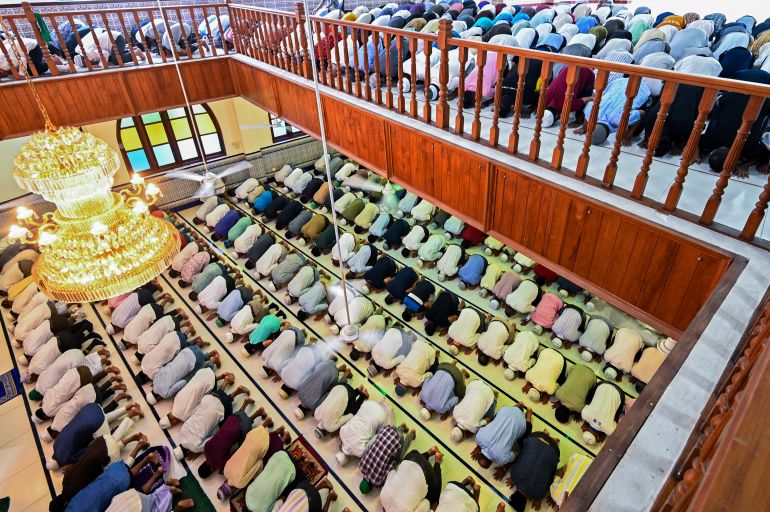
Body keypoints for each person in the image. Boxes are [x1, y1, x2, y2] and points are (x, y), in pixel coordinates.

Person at [508, 431, 561, 511]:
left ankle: (553, 441)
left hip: (554, 449)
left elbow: (550, 478)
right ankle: (546, 435)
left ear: (526, 502)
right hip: (536, 436)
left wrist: (538, 499)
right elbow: (520, 459)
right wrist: (514, 479)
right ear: (514, 494)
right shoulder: (514, 476)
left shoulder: (539, 495)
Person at [380, 447, 443, 512]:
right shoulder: (382, 496)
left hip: (427, 473)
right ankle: (429, 452)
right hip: (412, 456)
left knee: (434, 498)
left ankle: (437, 461)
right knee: (408, 467)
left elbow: (426, 503)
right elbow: (392, 472)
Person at [358, 423, 415, 494]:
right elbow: (370, 449)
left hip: (398, 440)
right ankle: (400, 428)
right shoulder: (361, 465)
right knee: (385, 443)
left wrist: (392, 461)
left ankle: (410, 436)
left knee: (398, 459)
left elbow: (390, 468)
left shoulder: (377, 481)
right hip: (386, 431)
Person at [473, 404, 532, 470]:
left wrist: (504, 468)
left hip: (521, 422)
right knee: (498, 418)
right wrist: (478, 446)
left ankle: (529, 415)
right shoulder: (478, 437)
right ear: (480, 453)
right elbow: (486, 425)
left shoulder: (502, 459)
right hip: (506, 410)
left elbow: (516, 453)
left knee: (525, 439)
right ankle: (519, 405)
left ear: (492, 462)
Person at [337, 398, 391, 465]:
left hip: (380, 415)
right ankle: (379, 402)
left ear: (349, 458)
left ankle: (388, 409)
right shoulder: (342, 432)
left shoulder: (360, 452)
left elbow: (375, 438)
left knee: (385, 429)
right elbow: (351, 418)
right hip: (367, 404)